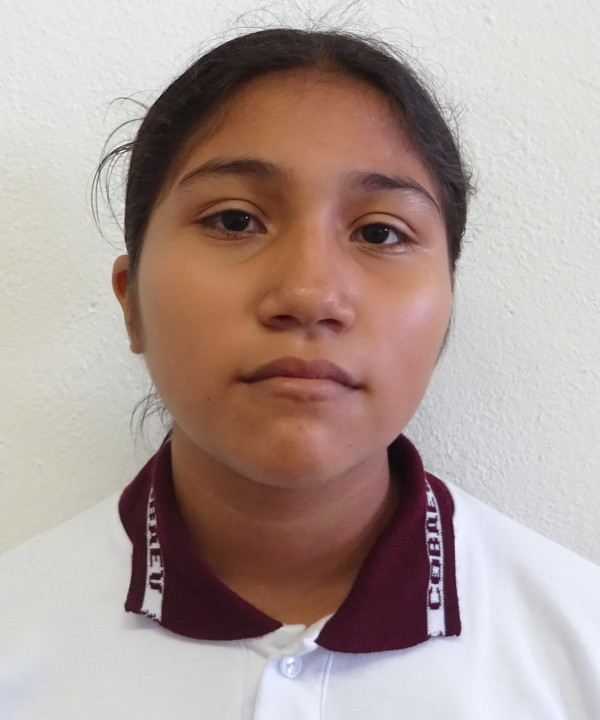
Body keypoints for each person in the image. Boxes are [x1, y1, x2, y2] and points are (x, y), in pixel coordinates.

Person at [1, 27, 599, 719]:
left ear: (446, 310)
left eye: (379, 232)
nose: (310, 295)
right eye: (234, 220)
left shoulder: (579, 647)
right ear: (131, 302)